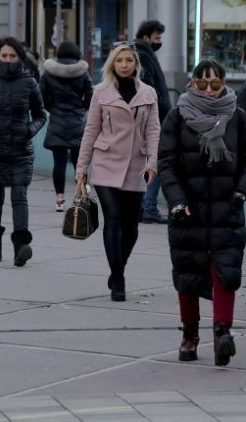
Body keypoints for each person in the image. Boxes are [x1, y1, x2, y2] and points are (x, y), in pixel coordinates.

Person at [158, 58, 246, 367]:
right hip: (189, 209)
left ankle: (222, 333)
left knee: (226, 272)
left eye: (216, 84)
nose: (210, 90)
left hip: (227, 207)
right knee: (188, 274)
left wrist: (242, 190)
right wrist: (176, 200)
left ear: (225, 84)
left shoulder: (238, 116)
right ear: (192, 84)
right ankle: (189, 336)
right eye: (203, 83)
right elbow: (167, 163)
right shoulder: (177, 117)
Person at [75, 42, 160, 301]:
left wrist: (153, 162)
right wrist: (82, 168)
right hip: (105, 162)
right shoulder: (101, 93)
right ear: (113, 63)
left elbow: (154, 130)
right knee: (113, 218)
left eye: (129, 60)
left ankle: (118, 267)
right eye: (120, 60)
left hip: (136, 166)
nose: (124, 65)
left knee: (131, 226)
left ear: (136, 64)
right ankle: (118, 278)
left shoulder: (148, 94)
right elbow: (90, 130)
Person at [0, 36, 47, 266]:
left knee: (19, 197)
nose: (8, 60)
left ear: (20, 58)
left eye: (12, 56)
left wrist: (29, 130)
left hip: (20, 150)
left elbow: (41, 114)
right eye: (4, 56)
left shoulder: (29, 82)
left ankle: (20, 247)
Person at [40, 41, 93, 211]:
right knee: (80, 162)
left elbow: (42, 98)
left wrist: (53, 108)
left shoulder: (48, 74)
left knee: (59, 163)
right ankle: (81, 195)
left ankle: (59, 200)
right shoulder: (83, 73)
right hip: (78, 121)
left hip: (57, 120)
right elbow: (90, 96)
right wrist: (80, 107)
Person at [134, 20, 171, 224]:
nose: (159, 42)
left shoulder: (143, 53)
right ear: (147, 36)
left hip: (152, 116)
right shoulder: (143, 55)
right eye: (157, 38)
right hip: (155, 117)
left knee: (151, 161)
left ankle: (143, 206)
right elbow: (149, 87)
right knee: (158, 161)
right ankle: (148, 206)